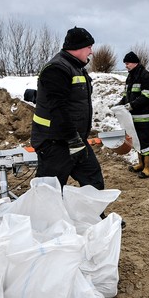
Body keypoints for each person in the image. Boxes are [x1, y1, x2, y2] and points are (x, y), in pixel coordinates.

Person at [30, 26, 104, 191]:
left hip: (74, 139)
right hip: (54, 142)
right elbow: (58, 108)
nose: (91, 52)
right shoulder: (57, 68)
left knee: (94, 181)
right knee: (49, 191)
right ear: (77, 47)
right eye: (89, 47)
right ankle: (44, 217)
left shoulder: (75, 67)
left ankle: (95, 217)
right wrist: (73, 140)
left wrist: (76, 140)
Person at [118, 51, 149, 178]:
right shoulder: (130, 77)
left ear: (135, 63)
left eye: (127, 63)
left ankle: (148, 168)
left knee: (145, 142)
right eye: (125, 63)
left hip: (145, 117)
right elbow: (126, 95)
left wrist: (132, 105)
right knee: (137, 142)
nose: (126, 66)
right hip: (133, 117)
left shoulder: (145, 76)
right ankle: (141, 164)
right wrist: (119, 104)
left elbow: (147, 96)